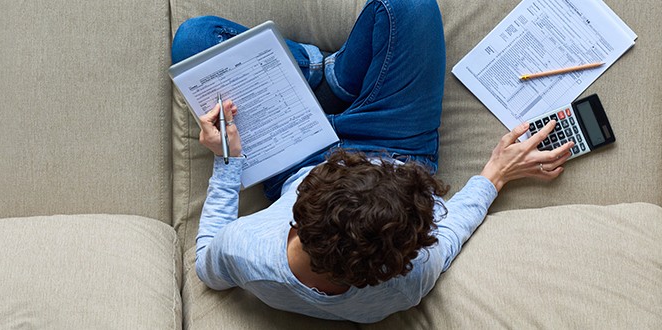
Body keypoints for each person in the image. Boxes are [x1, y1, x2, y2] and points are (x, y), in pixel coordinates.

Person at [171, 0, 574, 324]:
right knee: (411, 5)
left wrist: (229, 158)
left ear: (296, 217)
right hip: (396, 144)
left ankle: (322, 75)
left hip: (295, 160)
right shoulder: (408, 278)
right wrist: (496, 174)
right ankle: (335, 77)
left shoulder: (246, 252)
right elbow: (451, 234)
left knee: (195, 39)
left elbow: (206, 262)